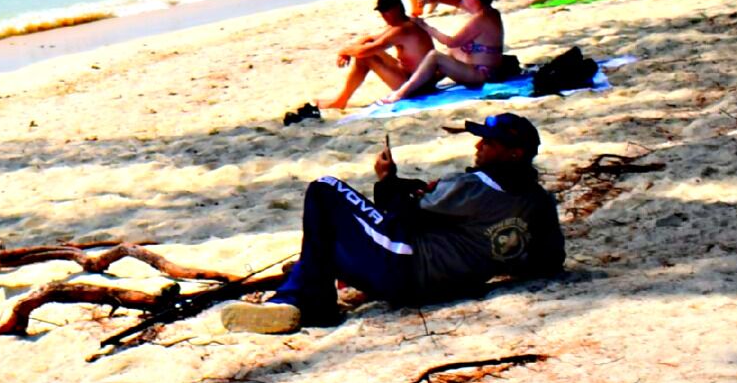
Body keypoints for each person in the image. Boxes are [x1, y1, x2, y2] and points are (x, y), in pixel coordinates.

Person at [221, 114, 565, 333]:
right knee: (321, 251)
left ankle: (307, 303)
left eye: (488, 143)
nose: (478, 146)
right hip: (448, 282)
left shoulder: (472, 187)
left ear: (514, 153)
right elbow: (549, 260)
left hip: (406, 267)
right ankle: (295, 296)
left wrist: (386, 179)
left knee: (326, 189)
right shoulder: (538, 202)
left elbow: (399, 215)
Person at [388, 0, 508, 98]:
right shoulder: (489, 12)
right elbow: (458, 2)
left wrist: (426, 27)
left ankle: (402, 93)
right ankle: (428, 80)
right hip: (489, 69)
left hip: (482, 75)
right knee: (453, 52)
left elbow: (451, 41)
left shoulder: (481, 19)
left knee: (435, 56)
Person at [319, 0, 437, 111]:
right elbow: (368, 39)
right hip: (419, 78)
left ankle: (340, 101)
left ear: (397, 8)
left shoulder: (402, 29)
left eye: (386, 11)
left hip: (417, 86)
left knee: (366, 56)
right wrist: (349, 52)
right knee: (368, 49)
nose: (383, 15)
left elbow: (363, 52)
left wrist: (343, 52)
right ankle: (341, 100)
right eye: (381, 12)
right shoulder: (405, 23)